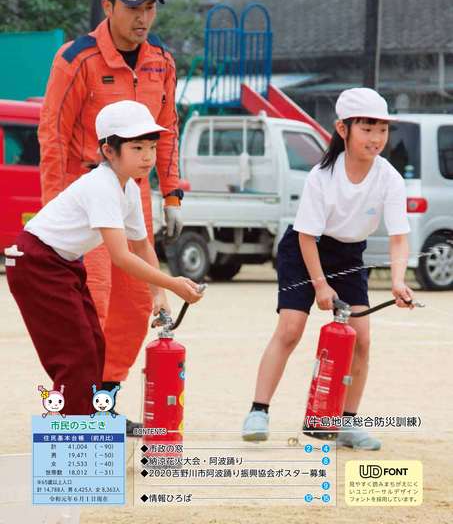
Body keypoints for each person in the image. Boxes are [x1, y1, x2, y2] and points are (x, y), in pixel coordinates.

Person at [38, 0, 183, 433]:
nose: (143, 18)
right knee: (92, 306)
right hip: (85, 193)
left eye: (149, 8)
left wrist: (172, 193)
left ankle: (104, 406)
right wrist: (54, 208)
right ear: (107, 6)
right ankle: (71, 413)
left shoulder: (161, 58)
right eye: (132, 7)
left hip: (133, 195)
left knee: (135, 305)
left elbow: (168, 129)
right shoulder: (77, 59)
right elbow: (54, 134)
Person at [242, 88, 414, 450]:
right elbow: (306, 238)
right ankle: (258, 411)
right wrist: (320, 286)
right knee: (291, 328)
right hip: (305, 250)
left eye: (382, 129)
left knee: (361, 341)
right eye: (367, 129)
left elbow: (399, 237)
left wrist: (398, 282)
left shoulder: (389, 178)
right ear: (342, 128)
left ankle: (345, 424)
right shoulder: (322, 176)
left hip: (350, 257)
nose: (377, 138)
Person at [5, 101, 203, 416]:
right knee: (76, 354)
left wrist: (160, 295)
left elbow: (142, 246)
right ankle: (75, 435)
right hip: (35, 263)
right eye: (137, 147)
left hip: (62, 263)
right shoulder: (102, 186)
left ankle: (83, 422)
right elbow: (122, 256)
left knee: (95, 345)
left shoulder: (129, 190)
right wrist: (173, 282)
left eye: (152, 146)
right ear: (109, 151)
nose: (148, 156)